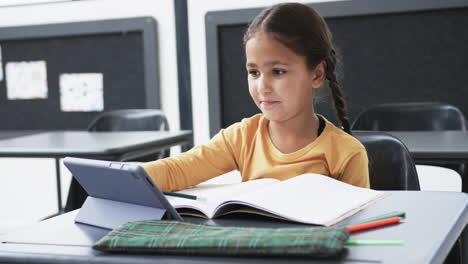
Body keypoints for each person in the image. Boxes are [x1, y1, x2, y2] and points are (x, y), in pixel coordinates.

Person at [143, 2, 369, 191]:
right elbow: (177, 170)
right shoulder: (241, 138)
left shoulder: (346, 154)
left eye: (278, 72)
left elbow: (358, 231)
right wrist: (116, 177)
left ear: (317, 74)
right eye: (254, 73)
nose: (263, 86)